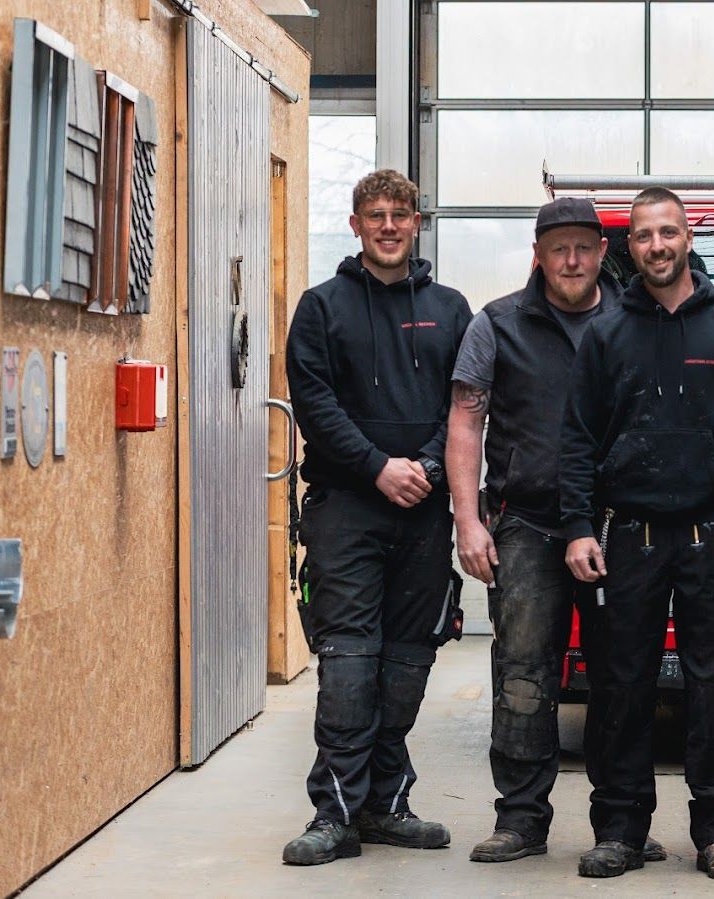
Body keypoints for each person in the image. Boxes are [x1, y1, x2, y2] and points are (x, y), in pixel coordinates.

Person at [560, 187, 714, 881]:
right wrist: (576, 527)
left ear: (688, 239)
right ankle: (620, 829)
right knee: (621, 687)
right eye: (643, 235)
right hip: (628, 538)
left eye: (668, 232)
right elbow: (576, 441)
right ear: (628, 247)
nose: (656, 245)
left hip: (711, 536)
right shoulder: (604, 334)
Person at [445, 198, 665, 866]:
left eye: (582, 247)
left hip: (618, 529)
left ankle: (620, 822)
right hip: (529, 526)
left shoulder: (636, 320)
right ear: (537, 254)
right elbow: (464, 422)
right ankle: (520, 819)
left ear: (603, 251)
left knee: (621, 678)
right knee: (522, 675)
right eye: (556, 247)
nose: (570, 259)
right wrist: (466, 520)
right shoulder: (497, 324)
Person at [282, 169, 473, 865]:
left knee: (407, 658)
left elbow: (466, 404)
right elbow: (315, 402)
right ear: (357, 223)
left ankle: (386, 803)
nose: (388, 225)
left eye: (400, 213)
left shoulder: (452, 309)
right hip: (346, 508)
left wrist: (422, 466)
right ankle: (334, 813)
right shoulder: (321, 307)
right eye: (375, 214)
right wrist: (376, 467)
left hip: (423, 511)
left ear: (417, 222)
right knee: (350, 659)